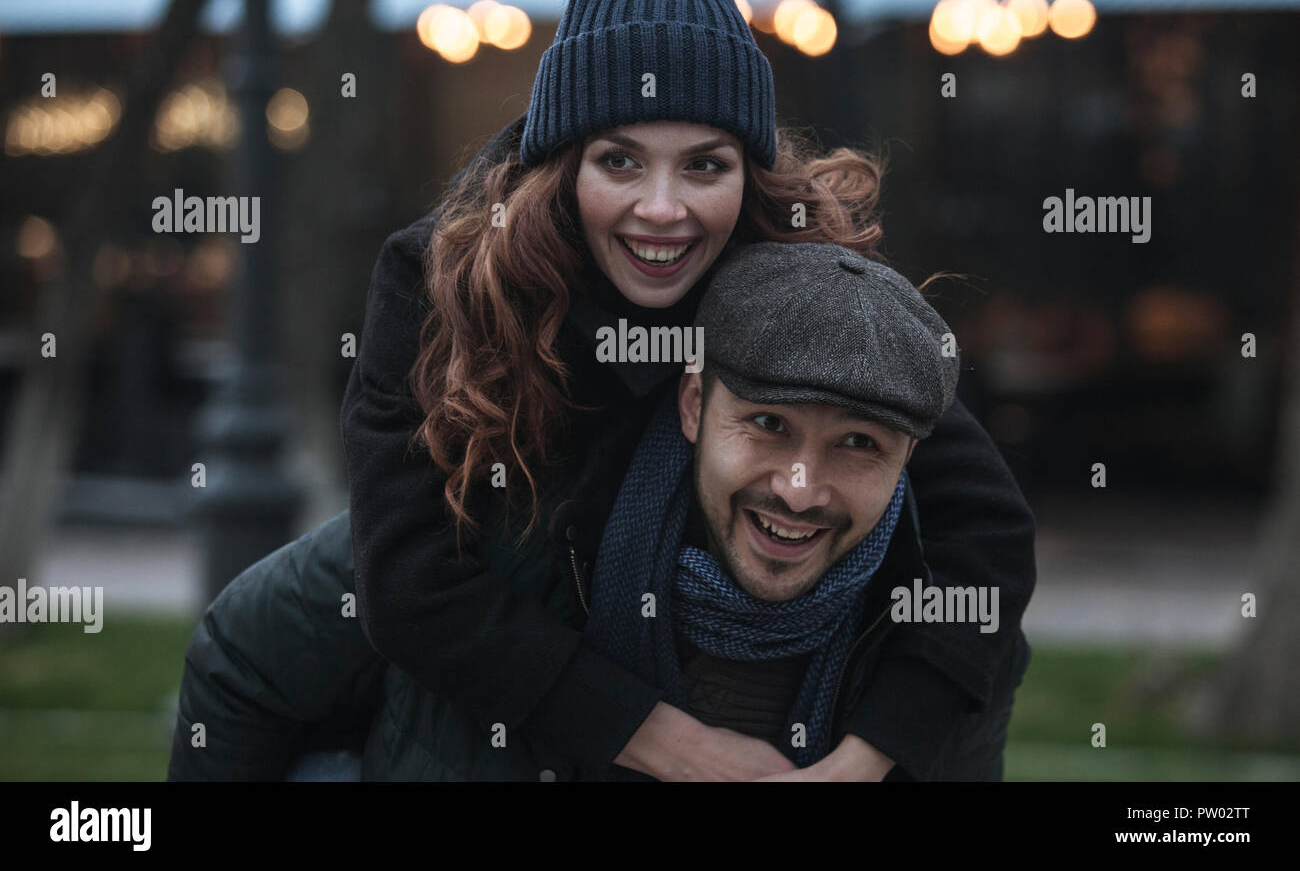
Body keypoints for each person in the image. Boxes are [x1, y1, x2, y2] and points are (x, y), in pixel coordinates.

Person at [340, 0, 1035, 782]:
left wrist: (866, 761)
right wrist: (682, 750)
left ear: (748, 174)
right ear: (561, 164)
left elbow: (987, 533)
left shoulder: (800, 277)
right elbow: (409, 588)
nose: (662, 210)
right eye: (620, 161)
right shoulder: (436, 282)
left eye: (705, 166)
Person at [166, 242, 1030, 781]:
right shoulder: (508, 520)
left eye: (858, 446)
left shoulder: (941, 645)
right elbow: (245, 653)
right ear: (694, 406)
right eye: (767, 426)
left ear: (910, 456)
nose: (801, 487)